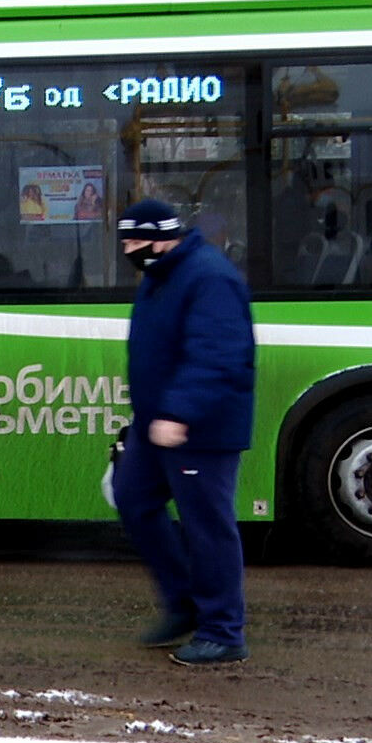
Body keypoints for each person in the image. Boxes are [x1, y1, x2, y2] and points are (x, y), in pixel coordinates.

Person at [111, 198, 255, 667]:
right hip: (159, 423)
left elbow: (219, 356)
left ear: (160, 236)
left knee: (207, 526)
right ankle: (185, 604)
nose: (129, 250)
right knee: (132, 499)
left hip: (198, 428)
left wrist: (178, 413)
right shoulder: (161, 275)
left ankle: (223, 631)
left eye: (135, 241)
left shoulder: (208, 276)